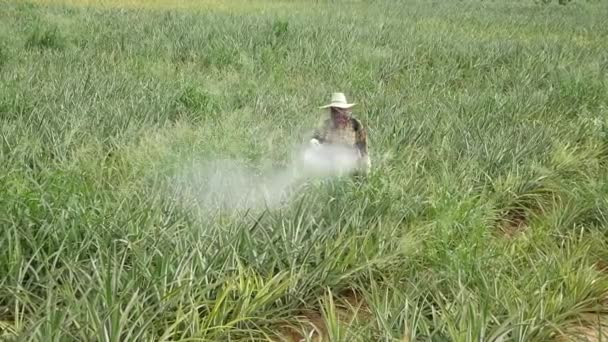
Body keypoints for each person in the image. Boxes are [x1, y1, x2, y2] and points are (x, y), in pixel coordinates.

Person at [309, 92, 371, 176]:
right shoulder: (325, 125)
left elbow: (364, 149)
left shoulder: (355, 125)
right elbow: (315, 140)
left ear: (346, 111)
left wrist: (365, 168)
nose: (338, 114)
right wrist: (315, 143)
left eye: (340, 110)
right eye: (335, 111)